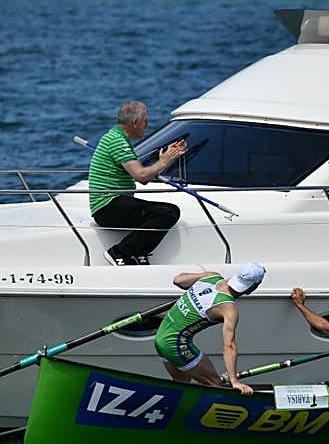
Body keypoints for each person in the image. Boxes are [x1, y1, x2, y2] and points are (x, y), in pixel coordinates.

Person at [89, 100, 188, 265]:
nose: (147, 125)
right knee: (167, 213)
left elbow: (145, 176)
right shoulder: (117, 141)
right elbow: (141, 176)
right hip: (108, 206)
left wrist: (169, 158)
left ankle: (137, 254)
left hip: (112, 204)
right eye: (145, 121)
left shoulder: (116, 137)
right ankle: (119, 253)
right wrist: (164, 161)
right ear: (134, 123)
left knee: (169, 210)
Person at [153, 262, 265, 394]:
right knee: (215, 385)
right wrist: (234, 381)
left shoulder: (211, 276)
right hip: (175, 345)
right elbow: (229, 346)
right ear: (253, 287)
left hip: (160, 338)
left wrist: (202, 277)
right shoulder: (228, 309)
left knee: (182, 385)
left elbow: (178, 280)